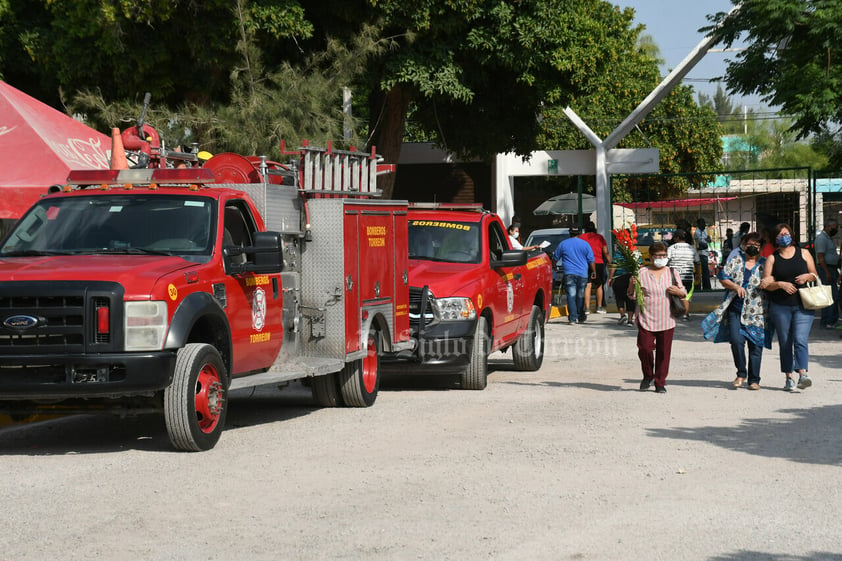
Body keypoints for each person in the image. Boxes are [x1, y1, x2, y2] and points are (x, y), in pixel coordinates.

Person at [702, 233, 770, 390]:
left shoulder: (765, 264)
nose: (752, 247)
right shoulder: (736, 260)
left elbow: (771, 280)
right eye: (749, 243)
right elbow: (723, 277)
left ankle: (754, 380)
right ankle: (741, 373)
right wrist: (735, 286)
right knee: (736, 341)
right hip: (736, 309)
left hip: (758, 311)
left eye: (756, 244)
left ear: (761, 247)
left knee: (755, 345)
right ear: (744, 245)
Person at [760, 223, 820, 391]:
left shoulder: (804, 253)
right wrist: (780, 284)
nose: (784, 236)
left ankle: (803, 374)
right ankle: (788, 377)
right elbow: (766, 283)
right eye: (780, 234)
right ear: (775, 238)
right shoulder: (773, 258)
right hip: (780, 307)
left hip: (803, 305)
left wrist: (808, 276)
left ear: (792, 235)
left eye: (786, 233)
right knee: (786, 342)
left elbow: (814, 274)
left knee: (800, 339)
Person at [628, 242, 686, 393]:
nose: (661, 258)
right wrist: (631, 285)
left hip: (667, 317)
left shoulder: (672, 272)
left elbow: (683, 292)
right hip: (646, 317)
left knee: (663, 352)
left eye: (664, 255)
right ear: (651, 257)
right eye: (658, 256)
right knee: (645, 348)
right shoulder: (641, 273)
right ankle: (648, 375)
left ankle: (660, 381)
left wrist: (678, 292)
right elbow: (632, 295)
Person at [554, 228, 595, 325]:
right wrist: (594, 271)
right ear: (580, 233)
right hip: (582, 274)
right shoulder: (585, 244)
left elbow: (555, 258)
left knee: (571, 296)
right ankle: (580, 316)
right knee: (580, 296)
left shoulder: (563, 244)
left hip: (569, 273)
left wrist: (553, 266)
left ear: (570, 233)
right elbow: (591, 260)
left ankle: (572, 318)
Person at [666, 229, 699, 320]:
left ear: (676, 238)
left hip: (674, 277)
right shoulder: (691, 248)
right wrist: (698, 274)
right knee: (686, 296)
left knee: (674, 294)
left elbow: (666, 261)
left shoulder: (671, 248)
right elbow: (697, 262)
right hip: (688, 276)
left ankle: (673, 313)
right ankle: (686, 314)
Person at [580, 221, 611, 314]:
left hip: (585, 263)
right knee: (599, 285)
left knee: (587, 285)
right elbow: (605, 252)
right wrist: (610, 262)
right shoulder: (600, 238)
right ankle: (599, 307)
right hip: (598, 262)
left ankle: (587, 308)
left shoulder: (581, 237)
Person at [814, 218, 840, 328]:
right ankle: (828, 321)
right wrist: (827, 272)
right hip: (826, 269)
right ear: (828, 227)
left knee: (833, 295)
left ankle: (831, 320)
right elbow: (821, 258)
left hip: (832, 269)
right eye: (835, 227)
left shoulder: (828, 238)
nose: (836, 229)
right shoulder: (822, 239)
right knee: (829, 295)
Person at [608, 247, 636, 327]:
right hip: (631, 277)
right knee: (630, 298)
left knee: (619, 297)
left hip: (619, 278)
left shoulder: (618, 254)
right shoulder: (634, 253)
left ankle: (622, 315)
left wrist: (610, 278)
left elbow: (613, 266)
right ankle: (630, 320)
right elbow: (640, 265)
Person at [694, 218, 712, 290]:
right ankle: (699, 287)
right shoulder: (697, 232)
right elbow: (701, 244)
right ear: (699, 224)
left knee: (705, 271)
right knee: (700, 271)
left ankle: (706, 287)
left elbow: (709, 240)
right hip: (700, 253)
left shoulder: (704, 231)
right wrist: (706, 241)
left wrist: (706, 241)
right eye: (703, 224)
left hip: (705, 253)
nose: (704, 225)